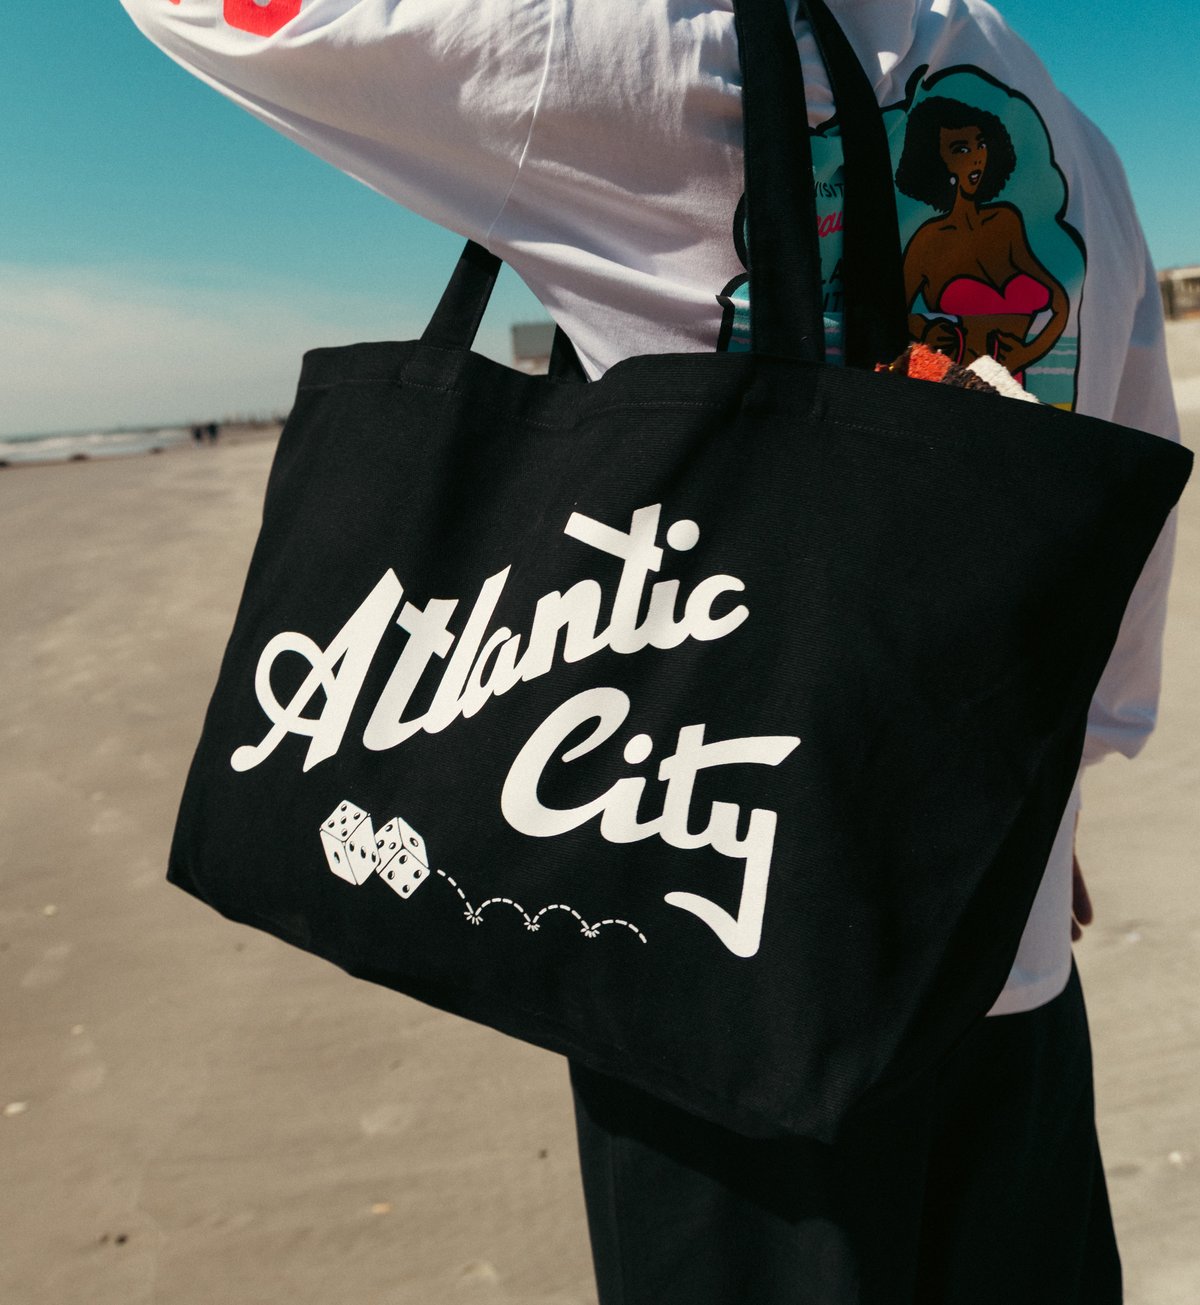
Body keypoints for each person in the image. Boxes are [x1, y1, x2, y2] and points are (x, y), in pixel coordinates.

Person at [117, 2, 1181, 1301]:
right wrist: (1057, 785)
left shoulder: (636, 41)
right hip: (1007, 973)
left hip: (724, 992)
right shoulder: (1066, 127)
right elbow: (1115, 496)